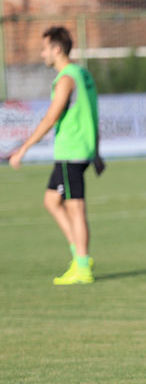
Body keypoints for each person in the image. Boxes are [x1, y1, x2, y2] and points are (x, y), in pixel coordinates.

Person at [9, 26, 103, 285]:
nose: (42, 54)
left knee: (76, 208)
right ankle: (79, 255)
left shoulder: (66, 79)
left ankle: (82, 265)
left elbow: (51, 117)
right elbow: (93, 112)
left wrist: (23, 148)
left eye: (44, 48)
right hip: (80, 150)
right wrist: (97, 149)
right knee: (51, 201)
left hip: (70, 152)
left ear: (56, 49)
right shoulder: (83, 74)